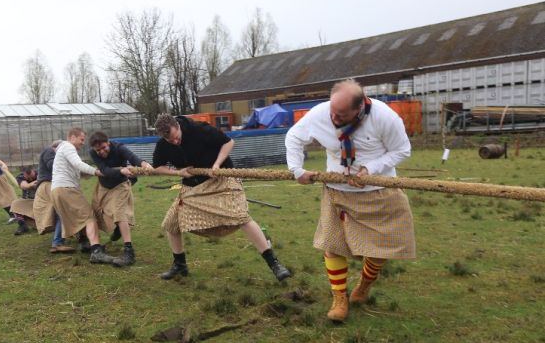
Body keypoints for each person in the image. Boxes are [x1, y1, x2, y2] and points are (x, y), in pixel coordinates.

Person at [285, 79, 415, 323]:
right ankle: (339, 297)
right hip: (337, 191)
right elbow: (294, 137)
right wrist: (297, 169)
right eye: (333, 110)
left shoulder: (385, 117)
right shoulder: (321, 113)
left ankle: (365, 284)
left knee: (381, 247)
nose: (334, 117)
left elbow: (401, 150)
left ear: (359, 107)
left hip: (378, 191)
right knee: (332, 245)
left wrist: (370, 169)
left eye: (342, 114)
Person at [151, 114, 291, 281]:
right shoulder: (163, 144)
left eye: (176, 137)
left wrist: (217, 164)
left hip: (221, 180)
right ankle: (180, 265)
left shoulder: (200, 129)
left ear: (178, 126)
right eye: (170, 140)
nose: (175, 142)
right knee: (171, 224)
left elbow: (228, 142)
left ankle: (274, 263)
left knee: (242, 217)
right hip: (192, 187)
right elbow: (157, 167)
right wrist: (178, 172)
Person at [51, 128, 120, 265]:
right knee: (89, 217)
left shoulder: (62, 150)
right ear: (73, 137)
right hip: (67, 188)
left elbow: (77, 170)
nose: (83, 143)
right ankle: (96, 252)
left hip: (57, 189)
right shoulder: (68, 147)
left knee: (79, 217)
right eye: (81, 139)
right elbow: (79, 164)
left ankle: (84, 243)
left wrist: (97, 171)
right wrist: (97, 172)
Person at [88, 131, 152, 266]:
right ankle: (116, 230)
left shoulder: (119, 148)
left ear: (108, 142)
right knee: (99, 212)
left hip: (120, 185)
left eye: (104, 147)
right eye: (98, 150)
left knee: (119, 213)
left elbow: (133, 158)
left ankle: (129, 252)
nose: (101, 152)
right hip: (103, 186)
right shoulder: (93, 153)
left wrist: (144, 164)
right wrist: (121, 170)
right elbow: (104, 170)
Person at [33, 140, 74, 253]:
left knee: (61, 212)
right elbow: (52, 165)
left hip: (50, 186)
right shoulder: (49, 150)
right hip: (49, 185)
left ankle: (61, 239)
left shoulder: (52, 152)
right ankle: (58, 243)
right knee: (63, 211)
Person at [9, 166, 38, 235]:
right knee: (15, 204)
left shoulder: (40, 173)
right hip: (28, 201)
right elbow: (24, 186)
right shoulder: (20, 177)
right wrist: (32, 184)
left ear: (33, 171)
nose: (30, 179)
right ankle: (23, 226)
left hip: (42, 201)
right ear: (24, 174)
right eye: (28, 178)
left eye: (32, 176)